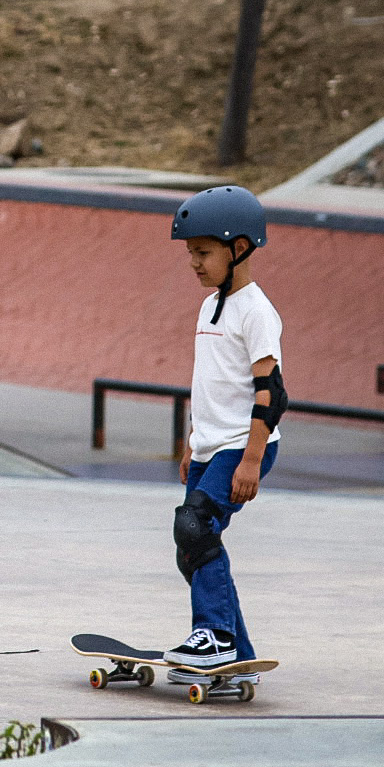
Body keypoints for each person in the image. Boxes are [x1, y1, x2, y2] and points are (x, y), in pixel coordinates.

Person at [164, 185, 287, 682]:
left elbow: (271, 393)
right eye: (190, 252)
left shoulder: (256, 311)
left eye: (203, 252)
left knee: (194, 527)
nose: (193, 262)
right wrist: (192, 443)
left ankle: (213, 636)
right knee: (192, 546)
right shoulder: (210, 305)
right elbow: (211, 382)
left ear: (239, 248)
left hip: (242, 445)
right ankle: (239, 656)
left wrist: (252, 460)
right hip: (210, 447)